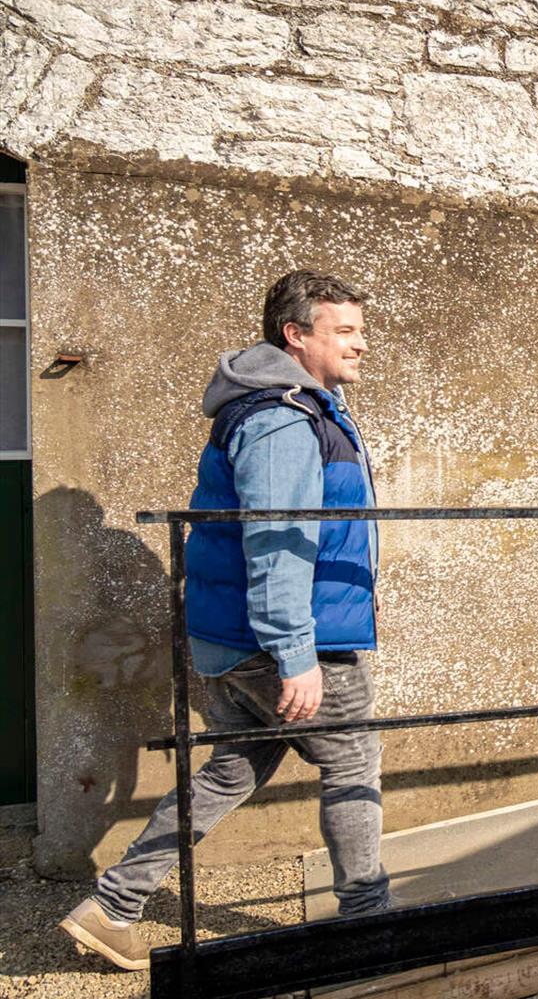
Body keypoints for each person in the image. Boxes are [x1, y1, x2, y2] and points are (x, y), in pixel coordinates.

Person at [61, 270, 389, 970]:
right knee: (354, 759)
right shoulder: (281, 419)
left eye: (361, 330)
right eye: (346, 331)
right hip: (280, 643)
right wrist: (296, 652)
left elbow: (316, 531)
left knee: (233, 769)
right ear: (296, 335)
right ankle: (370, 927)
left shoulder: (297, 405)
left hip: (238, 639)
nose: (362, 345)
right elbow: (276, 541)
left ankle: (114, 904)